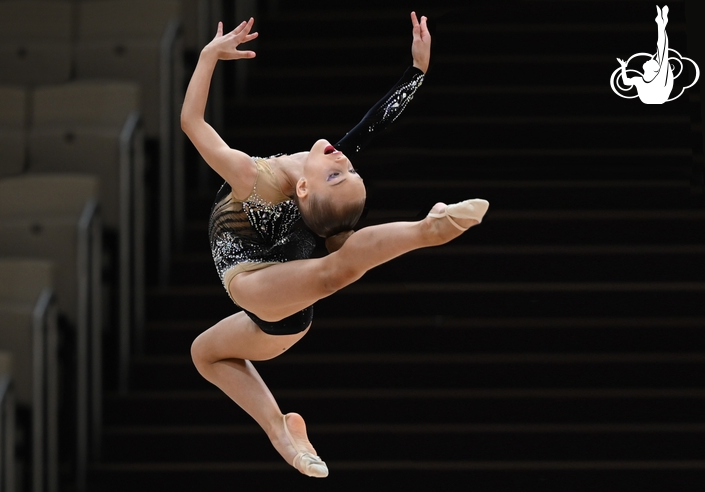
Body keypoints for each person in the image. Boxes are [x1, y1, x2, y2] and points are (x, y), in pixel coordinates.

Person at [181, 13, 489, 478]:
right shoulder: (321, 166)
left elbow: (191, 122)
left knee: (334, 270)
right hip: (281, 320)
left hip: (257, 284)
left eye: (339, 176)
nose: (344, 161)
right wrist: (417, 72)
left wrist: (206, 57)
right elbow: (374, 123)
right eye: (349, 173)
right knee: (204, 354)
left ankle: (429, 229)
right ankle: (282, 434)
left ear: (306, 193)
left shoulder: (251, 176)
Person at [617, 5, 673, 104]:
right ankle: (661, 23)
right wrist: (623, 67)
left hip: (656, 96)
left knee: (662, 51)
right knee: (662, 52)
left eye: (652, 61)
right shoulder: (643, 79)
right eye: (653, 61)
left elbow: (626, 82)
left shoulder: (646, 79)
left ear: (654, 69)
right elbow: (625, 82)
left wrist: (623, 68)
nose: (649, 59)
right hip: (657, 97)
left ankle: (661, 23)